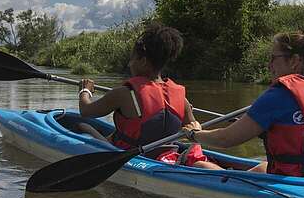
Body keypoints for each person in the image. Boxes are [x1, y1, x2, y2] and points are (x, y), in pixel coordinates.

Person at [181, 26, 304, 176]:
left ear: (295, 60)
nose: (269, 64)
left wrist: (195, 134)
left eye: (274, 58)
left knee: (200, 165)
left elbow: (226, 139)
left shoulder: (279, 95)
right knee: (263, 167)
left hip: (296, 181)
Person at [77, 22, 214, 168]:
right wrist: (184, 109)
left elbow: (86, 111)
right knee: (112, 134)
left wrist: (85, 91)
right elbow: (194, 130)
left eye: (133, 59)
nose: (130, 64)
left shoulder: (125, 93)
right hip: (167, 155)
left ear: (143, 61)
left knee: (83, 125)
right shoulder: (181, 98)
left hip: (133, 156)